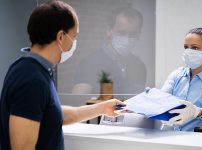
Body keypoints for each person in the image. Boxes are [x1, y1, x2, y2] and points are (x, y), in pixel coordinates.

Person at [0, 1, 126, 149]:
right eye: (74, 36)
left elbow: (52, 113)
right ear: (61, 37)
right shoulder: (31, 80)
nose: (74, 43)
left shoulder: (35, 70)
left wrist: (102, 108)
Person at [71, 7, 146, 96]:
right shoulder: (90, 63)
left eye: (132, 34)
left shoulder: (139, 65)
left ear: (139, 34)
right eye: (122, 33)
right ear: (109, 31)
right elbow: (78, 101)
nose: (127, 38)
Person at [162, 28, 202, 131]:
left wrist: (196, 111)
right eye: (186, 47)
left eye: (195, 48)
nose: (188, 52)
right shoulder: (177, 74)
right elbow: (162, 98)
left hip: (194, 142)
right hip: (167, 137)